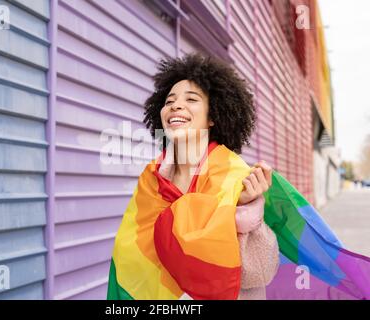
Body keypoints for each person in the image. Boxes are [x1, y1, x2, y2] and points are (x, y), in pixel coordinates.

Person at [108, 53, 279, 300]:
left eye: (191, 99)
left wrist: (243, 212)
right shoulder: (151, 180)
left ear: (212, 117)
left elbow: (261, 273)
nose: (176, 106)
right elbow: (129, 256)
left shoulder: (236, 176)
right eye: (170, 101)